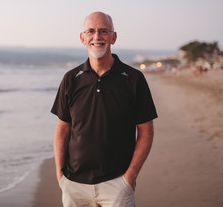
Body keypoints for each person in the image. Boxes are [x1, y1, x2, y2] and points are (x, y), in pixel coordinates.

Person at [51, 11, 157, 207]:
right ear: (82, 38)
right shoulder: (70, 79)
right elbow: (62, 129)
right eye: (91, 31)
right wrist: (60, 175)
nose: (97, 37)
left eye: (103, 31)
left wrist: (129, 177)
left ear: (113, 37)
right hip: (74, 185)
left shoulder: (133, 79)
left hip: (117, 184)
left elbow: (146, 131)